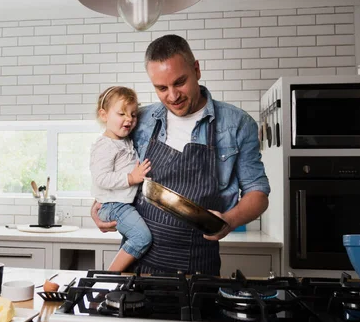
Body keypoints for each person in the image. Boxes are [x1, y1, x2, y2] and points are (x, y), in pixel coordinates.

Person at [91, 34, 270, 276]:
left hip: (196, 267)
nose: (172, 96)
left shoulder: (236, 124)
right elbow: (111, 165)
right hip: (137, 265)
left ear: (196, 69)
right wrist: (99, 208)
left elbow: (258, 193)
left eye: (180, 82)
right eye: (161, 88)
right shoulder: (139, 120)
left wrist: (229, 220)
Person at [90, 86, 153, 272]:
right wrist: (131, 178)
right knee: (142, 238)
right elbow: (101, 178)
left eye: (133, 115)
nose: (129, 119)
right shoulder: (105, 145)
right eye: (121, 113)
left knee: (137, 237)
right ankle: (110, 275)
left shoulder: (123, 140)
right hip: (113, 205)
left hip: (119, 204)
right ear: (104, 115)